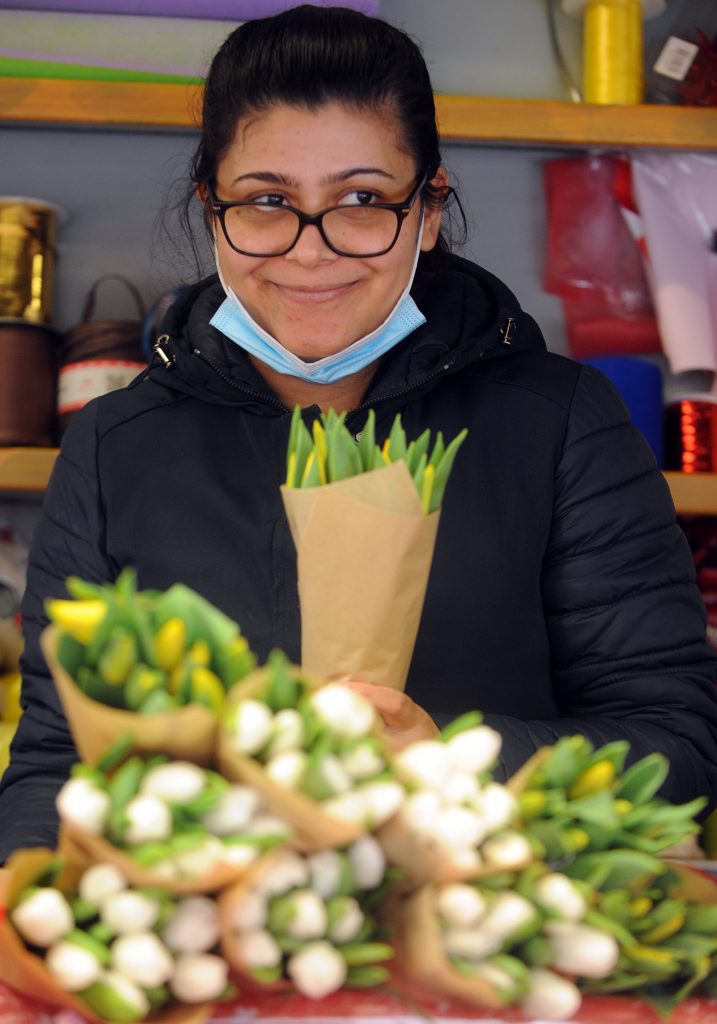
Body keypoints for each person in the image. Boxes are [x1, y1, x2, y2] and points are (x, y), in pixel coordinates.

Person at [1, 3, 716, 861]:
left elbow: (676, 745)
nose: (312, 250)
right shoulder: (117, 447)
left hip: (488, 956)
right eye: (267, 201)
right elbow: (56, 763)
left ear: (426, 209)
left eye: (362, 200)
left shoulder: (561, 422)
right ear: (210, 207)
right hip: (208, 959)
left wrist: (446, 758)